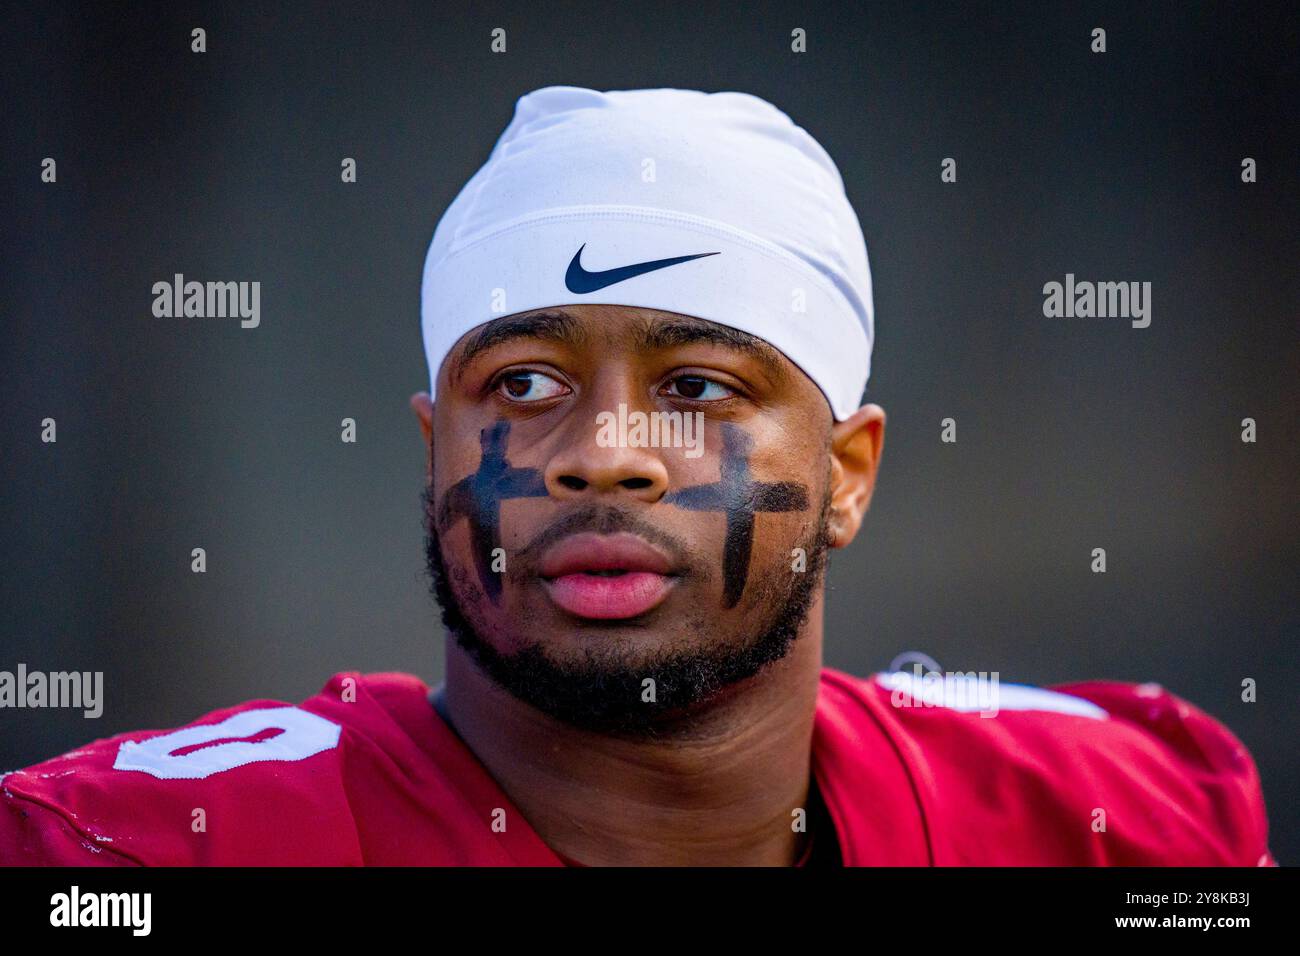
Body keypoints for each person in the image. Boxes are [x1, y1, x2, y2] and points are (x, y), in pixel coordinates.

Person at [0, 87, 1275, 866]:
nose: (605, 450)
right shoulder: (113, 857)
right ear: (430, 449)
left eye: (698, 387)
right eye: (523, 385)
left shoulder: (1119, 817)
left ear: (846, 471)